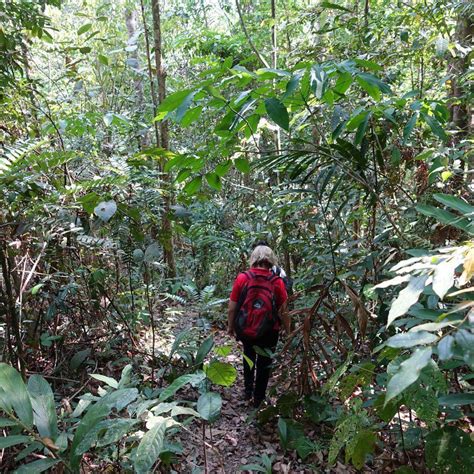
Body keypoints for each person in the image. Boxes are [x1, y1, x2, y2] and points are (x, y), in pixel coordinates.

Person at [227, 244, 290, 408]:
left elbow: (232, 307)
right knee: (264, 363)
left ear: (253, 259)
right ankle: (258, 398)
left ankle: (248, 391)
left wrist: (230, 327)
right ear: (271, 261)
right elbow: (284, 310)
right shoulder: (277, 282)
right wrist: (288, 329)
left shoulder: (243, 278)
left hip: (246, 328)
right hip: (269, 330)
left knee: (248, 356)